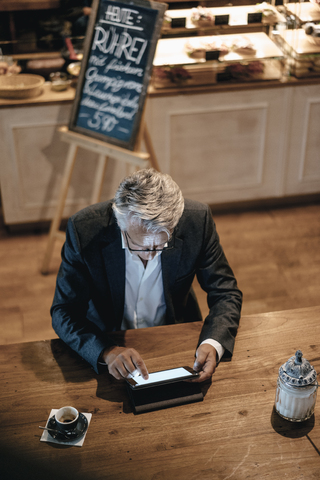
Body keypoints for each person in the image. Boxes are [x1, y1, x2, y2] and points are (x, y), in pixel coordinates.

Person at [51, 169, 242, 383]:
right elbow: (64, 311)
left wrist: (213, 342)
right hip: (108, 337)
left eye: (161, 244)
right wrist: (106, 351)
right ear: (121, 224)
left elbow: (225, 292)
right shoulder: (84, 230)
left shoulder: (198, 220)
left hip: (177, 336)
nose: (151, 255)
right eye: (139, 245)